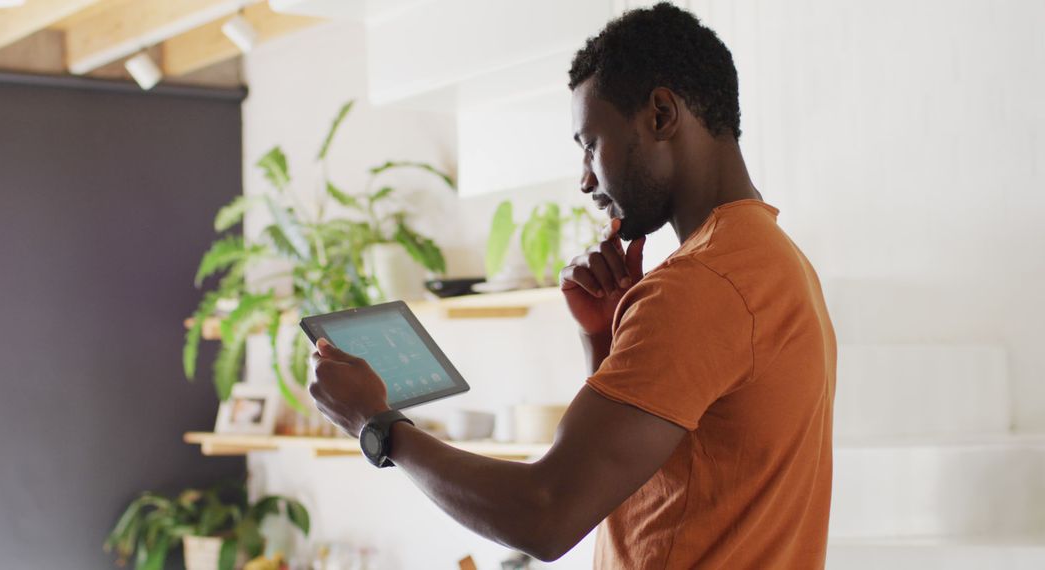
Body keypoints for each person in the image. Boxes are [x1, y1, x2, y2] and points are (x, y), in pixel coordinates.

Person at [308, 3, 836, 568]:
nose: (586, 178)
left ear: (660, 114)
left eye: (590, 143)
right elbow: (658, 471)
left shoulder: (702, 285)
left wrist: (379, 427)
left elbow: (544, 512)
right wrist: (606, 341)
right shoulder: (771, 260)